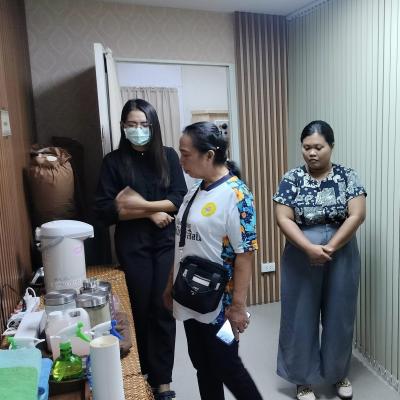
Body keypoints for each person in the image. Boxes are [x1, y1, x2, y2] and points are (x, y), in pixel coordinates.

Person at [94, 99, 187, 400]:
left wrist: (138, 206)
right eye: (132, 124)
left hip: (165, 243)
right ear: (123, 126)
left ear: (153, 126)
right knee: (140, 308)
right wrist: (151, 213)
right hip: (133, 245)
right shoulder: (113, 162)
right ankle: (143, 371)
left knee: (163, 307)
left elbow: (178, 199)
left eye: (144, 124)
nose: (138, 129)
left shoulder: (168, 156)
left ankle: (163, 380)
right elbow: (106, 210)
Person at [164, 121, 263, 400]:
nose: (181, 161)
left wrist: (238, 307)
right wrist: (170, 286)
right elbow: (182, 242)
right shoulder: (194, 190)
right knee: (203, 366)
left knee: (228, 365)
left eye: (186, 154)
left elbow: (245, 254)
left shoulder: (237, 195)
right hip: (190, 298)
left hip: (221, 307)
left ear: (208, 155)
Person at [273, 120, 366, 400]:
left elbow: (357, 214)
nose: (312, 153)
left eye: (318, 147)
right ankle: (302, 379)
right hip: (300, 253)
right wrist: (309, 248)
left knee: (340, 314)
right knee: (300, 314)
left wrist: (330, 248)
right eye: (306, 147)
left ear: (331, 146)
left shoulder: (348, 176)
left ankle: (338, 373)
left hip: (342, 251)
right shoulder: (291, 178)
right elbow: (283, 218)